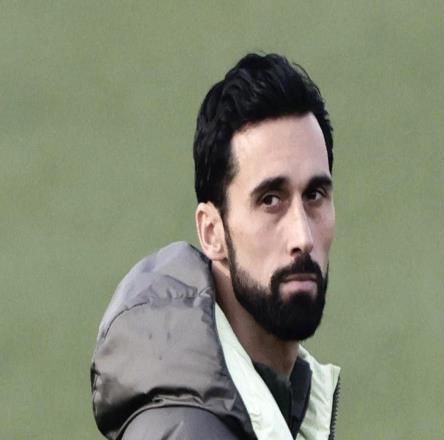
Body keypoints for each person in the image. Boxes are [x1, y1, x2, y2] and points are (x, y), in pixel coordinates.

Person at [91, 53, 341, 440]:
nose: (303, 238)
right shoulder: (188, 432)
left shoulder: (278, 404)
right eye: (270, 200)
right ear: (211, 231)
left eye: (315, 195)